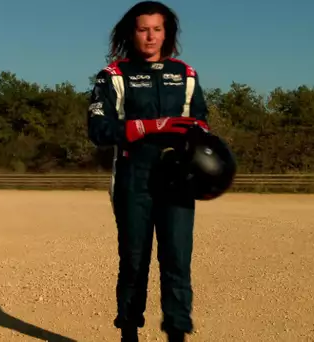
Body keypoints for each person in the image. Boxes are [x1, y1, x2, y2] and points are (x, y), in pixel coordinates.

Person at [86, 1, 210, 341]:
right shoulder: (113, 76)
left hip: (177, 180)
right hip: (133, 179)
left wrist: (202, 143)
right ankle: (128, 331)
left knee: (177, 262)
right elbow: (98, 130)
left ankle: (177, 333)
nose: (150, 36)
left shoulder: (186, 75)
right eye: (143, 29)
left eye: (157, 29)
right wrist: (150, 126)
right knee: (134, 262)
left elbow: (202, 124)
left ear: (166, 33)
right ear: (132, 33)